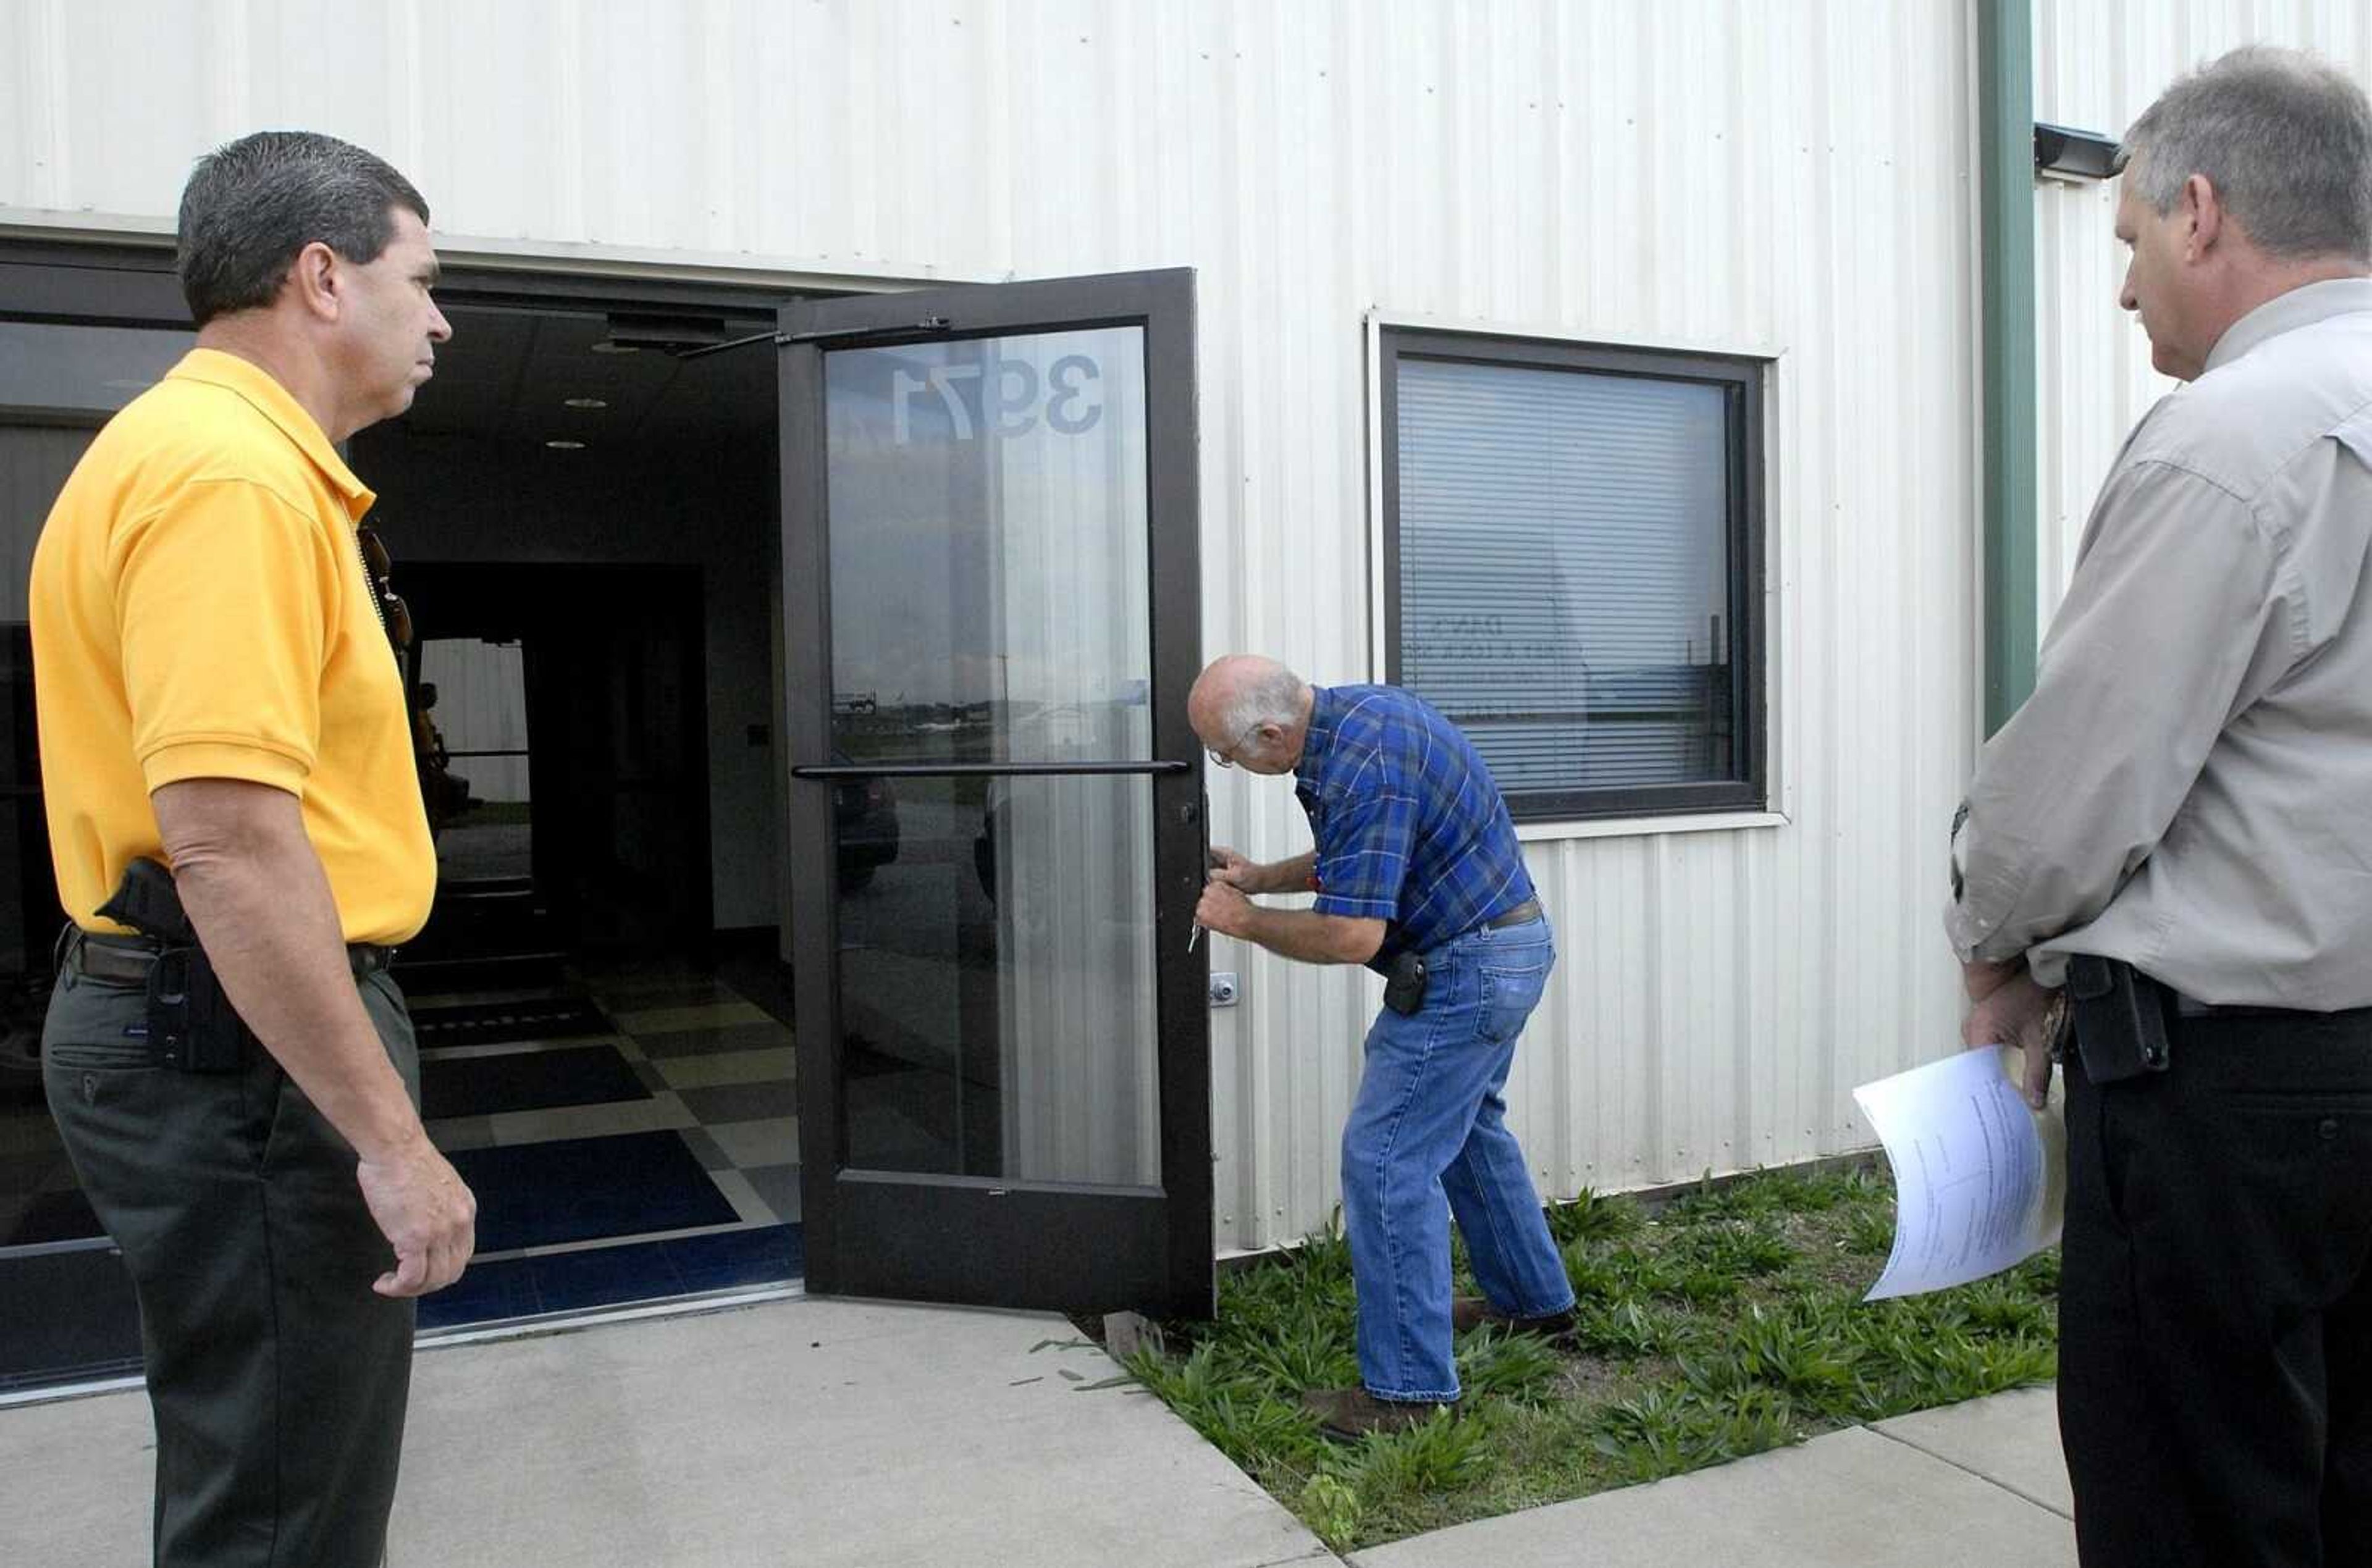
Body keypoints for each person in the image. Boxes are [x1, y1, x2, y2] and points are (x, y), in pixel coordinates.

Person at [1947, 47, 2372, 1568]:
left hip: (2234, 1105)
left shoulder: (2232, 440)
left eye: (2126, 242)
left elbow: (2072, 789)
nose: (2124, 291)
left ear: (2199, 213)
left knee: (2194, 1506)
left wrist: (1990, 945)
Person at [32, 130, 476, 1566]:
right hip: (243, 1047)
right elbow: (224, 838)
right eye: (423, 280)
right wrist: (386, 1135)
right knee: (285, 1509)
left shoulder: (195, 453)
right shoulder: (231, 478)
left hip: (214, 1028)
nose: (442, 319)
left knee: (260, 1459)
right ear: (321, 278)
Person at [1188, 655, 1573, 1439]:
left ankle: (1406, 1394)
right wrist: (1262, 878)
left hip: (1467, 969)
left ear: (1270, 731)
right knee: (1467, 1135)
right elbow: (1367, 861)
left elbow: (1353, 931)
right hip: (1510, 947)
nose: (1232, 767)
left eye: (1229, 755)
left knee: (1387, 1161)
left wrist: (1244, 921)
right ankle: (1534, 1306)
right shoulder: (1363, 718)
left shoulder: (1362, 767)